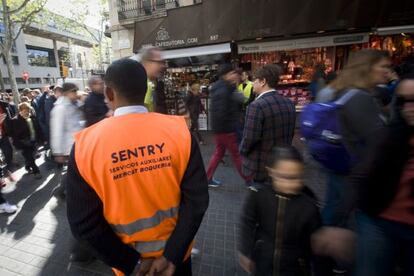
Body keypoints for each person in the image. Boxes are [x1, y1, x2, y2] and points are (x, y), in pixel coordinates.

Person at [66, 58, 209, 276]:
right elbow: (197, 200)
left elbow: (83, 224)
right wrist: (172, 255)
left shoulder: (85, 146)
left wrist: (131, 263)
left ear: (109, 94)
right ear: (144, 91)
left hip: (132, 268)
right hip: (176, 261)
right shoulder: (179, 132)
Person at [339, 75, 414, 276]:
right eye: (403, 101)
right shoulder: (387, 135)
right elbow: (360, 174)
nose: (408, 108)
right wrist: (341, 224)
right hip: (378, 220)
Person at [315, 49, 390, 227]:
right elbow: (378, 142)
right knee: (344, 215)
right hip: (354, 172)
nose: (388, 71)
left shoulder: (344, 93)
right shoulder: (359, 98)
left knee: (334, 209)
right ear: (367, 68)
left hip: (341, 164)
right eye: (384, 66)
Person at [238, 146, 329, 276]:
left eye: (296, 177)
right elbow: (247, 221)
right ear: (271, 171)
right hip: (262, 264)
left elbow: (318, 246)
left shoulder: (308, 206)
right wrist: (245, 250)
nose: (290, 184)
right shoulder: (259, 196)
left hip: (294, 269)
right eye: (284, 177)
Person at [240, 64, 296, 184]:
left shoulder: (256, 106)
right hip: (282, 162)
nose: (252, 83)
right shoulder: (288, 103)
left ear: (263, 82)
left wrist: (242, 151)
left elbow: (249, 138)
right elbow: (290, 133)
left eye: (254, 80)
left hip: (262, 165)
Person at [205, 64, 252, 187]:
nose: (235, 75)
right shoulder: (226, 89)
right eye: (233, 73)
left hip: (219, 128)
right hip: (226, 129)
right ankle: (249, 180)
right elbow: (225, 110)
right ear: (227, 75)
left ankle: (208, 178)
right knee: (237, 154)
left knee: (219, 152)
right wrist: (230, 128)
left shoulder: (220, 87)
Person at [50, 82, 84, 197]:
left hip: (78, 144)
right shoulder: (60, 108)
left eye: (76, 91)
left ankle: (63, 189)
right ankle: (60, 190)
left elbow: (78, 122)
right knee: (70, 171)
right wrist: (57, 152)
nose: (76, 93)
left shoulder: (74, 104)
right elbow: (56, 131)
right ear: (67, 93)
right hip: (68, 147)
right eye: (74, 91)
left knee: (73, 170)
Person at [8, 103, 42, 179]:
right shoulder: (15, 120)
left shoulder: (32, 117)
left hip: (33, 141)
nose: (27, 112)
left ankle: (27, 166)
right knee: (29, 157)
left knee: (31, 157)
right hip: (23, 143)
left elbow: (37, 128)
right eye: (25, 110)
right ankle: (36, 171)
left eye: (28, 110)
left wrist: (42, 138)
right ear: (20, 110)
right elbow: (12, 134)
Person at [139, 46, 166, 112]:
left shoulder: (153, 83)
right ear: (146, 63)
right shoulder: (144, 85)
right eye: (159, 62)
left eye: (163, 62)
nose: (163, 66)